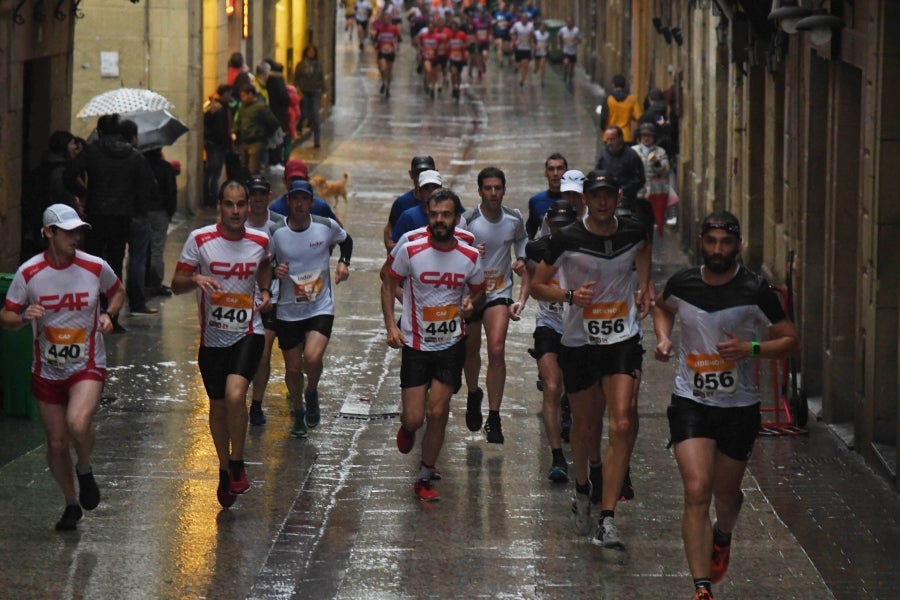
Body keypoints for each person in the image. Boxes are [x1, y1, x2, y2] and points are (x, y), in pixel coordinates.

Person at [653, 211, 799, 600]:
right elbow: (661, 307)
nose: (718, 250)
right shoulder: (683, 283)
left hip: (739, 407)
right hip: (691, 402)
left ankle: (723, 534)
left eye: (726, 242)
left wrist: (751, 348)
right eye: (711, 241)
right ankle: (702, 588)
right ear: (701, 241)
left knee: (726, 492)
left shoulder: (755, 289)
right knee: (697, 488)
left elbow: (789, 338)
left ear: (737, 245)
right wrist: (664, 339)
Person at [530, 170, 652, 550]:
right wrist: (569, 296)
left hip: (622, 339)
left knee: (620, 423)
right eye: (594, 195)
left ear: (617, 197)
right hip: (580, 341)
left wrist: (645, 286)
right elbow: (537, 286)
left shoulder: (633, 231)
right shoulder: (567, 239)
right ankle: (582, 487)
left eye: (607, 195)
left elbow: (644, 248)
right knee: (585, 428)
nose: (601, 202)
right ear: (585, 198)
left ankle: (608, 517)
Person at [1, 204, 126, 531]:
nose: (76, 237)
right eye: (68, 231)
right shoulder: (29, 273)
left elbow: (117, 291)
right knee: (56, 443)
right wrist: (23, 317)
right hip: (47, 369)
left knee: (77, 422)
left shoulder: (94, 266)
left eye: (78, 231)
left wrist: (109, 315)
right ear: (49, 233)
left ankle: (84, 468)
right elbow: (7, 315)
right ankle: (71, 503)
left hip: (87, 364)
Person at [171, 180, 273, 508]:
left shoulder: (260, 239)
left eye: (241, 204)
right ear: (219, 206)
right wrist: (196, 279)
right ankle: (225, 468)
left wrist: (267, 291)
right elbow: (175, 285)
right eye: (229, 205)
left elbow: (266, 266)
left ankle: (239, 462)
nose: (236, 211)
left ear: (248, 207)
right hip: (212, 338)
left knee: (235, 395)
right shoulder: (199, 240)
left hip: (248, 331)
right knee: (217, 407)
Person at [382, 188, 485, 502]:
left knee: (438, 411)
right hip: (415, 343)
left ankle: (425, 475)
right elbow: (387, 282)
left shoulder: (470, 254)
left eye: (446, 215)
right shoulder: (411, 248)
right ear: (428, 214)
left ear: (456, 218)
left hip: (451, 343)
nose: (440, 221)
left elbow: (480, 289)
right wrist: (390, 325)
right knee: (415, 418)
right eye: (435, 214)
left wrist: (470, 302)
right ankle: (409, 428)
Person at [270, 180, 353, 438]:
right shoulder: (275, 233)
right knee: (294, 369)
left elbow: (346, 240)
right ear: (288, 202)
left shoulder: (325, 226)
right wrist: (274, 271)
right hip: (287, 311)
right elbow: (263, 263)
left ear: (311, 202)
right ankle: (298, 410)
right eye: (294, 199)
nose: (299, 204)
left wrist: (343, 262)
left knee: (313, 358)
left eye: (304, 199)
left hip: (320, 307)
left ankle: (312, 391)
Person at [64, 113, 155, 332]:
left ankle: (91, 312)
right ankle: (111, 317)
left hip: (96, 214)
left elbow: (69, 175)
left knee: (91, 264)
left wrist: (85, 193)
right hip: (122, 216)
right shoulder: (134, 156)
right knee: (114, 266)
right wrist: (132, 205)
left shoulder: (92, 151)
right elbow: (148, 185)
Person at [461, 167, 529, 444]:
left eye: (497, 188)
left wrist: (522, 257)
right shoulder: (468, 220)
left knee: (497, 349)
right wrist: (470, 252)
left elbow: (522, 239)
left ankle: (495, 416)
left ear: (504, 189)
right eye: (487, 188)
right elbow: (453, 250)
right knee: (471, 351)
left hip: (499, 291)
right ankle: (474, 393)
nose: (493, 193)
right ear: (479, 191)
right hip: (472, 294)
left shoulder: (514, 218)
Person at [525, 198, 577, 482]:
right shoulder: (537, 249)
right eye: (555, 225)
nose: (560, 231)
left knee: (576, 391)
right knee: (551, 385)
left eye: (565, 226)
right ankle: (557, 456)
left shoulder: (585, 249)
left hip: (579, 328)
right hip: (549, 324)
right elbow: (534, 287)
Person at [244, 175, 281, 426]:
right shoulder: (236, 223)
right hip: (240, 299)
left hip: (273, 297)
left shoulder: (279, 225)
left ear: (268, 196)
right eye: (252, 194)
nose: (257, 199)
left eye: (261, 194)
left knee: (263, 354)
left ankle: (256, 404)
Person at [118, 119, 158, 317]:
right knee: (137, 260)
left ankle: (112, 300)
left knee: (114, 259)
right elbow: (151, 185)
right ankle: (137, 301)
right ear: (133, 137)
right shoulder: (137, 157)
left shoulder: (104, 154)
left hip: (115, 213)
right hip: (137, 214)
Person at [142, 148, 178, 297]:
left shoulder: (140, 164)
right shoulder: (165, 167)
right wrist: (170, 212)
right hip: (160, 211)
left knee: (140, 250)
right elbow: (171, 191)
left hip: (142, 211)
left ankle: (139, 283)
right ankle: (155, 284)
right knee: (157, 249)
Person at [384, 155, 436, 252]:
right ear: (411, 174)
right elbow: (390, 228)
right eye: (418, 172)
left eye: (427, 171)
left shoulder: (449, 202)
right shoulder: (402, 205)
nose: (422, 175)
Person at [268, 159, 342, 226]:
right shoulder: (275, 210)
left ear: (308, 180)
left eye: (300, 179)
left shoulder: (321, 208)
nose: (297, 183)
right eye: (293, 179)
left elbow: (340, 232)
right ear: (284, 180)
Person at [632, 122, 671, 236]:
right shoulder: (633, 151)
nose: (646, 138)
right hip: (638, 194)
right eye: (644, 135)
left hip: (654, 194)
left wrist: (656, 162)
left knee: (650, 223)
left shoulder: (660, 152)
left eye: (649, 136)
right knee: (638, 222)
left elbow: (665, 171)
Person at [234, 84, 280, 176]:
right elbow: (239, 121)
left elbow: (273, 122)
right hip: (244, 141)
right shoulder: (243, 107)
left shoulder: (261, 107)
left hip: (256, 141)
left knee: (253, 169)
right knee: (244, 168)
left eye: (244, 95)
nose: (242, 98)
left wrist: (263, 134)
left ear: (250, 94)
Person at [595, 125, 646, 207]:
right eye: (607, 139)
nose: (609, 143)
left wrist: (624, 190)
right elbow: (597, 174)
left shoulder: (631, 155)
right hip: (607, 199)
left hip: (627, 200)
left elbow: (639, 179)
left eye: (612, 139)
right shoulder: (603, 155)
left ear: (620, 138)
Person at [391, 170, 447, 243]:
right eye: (426, 188)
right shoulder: (408, 217)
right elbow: (395, 247)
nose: (431, 192)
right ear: (419, 192)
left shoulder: (451, 216)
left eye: (435, 187)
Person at [203, 84, 234, 207]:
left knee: (211, 171)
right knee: (215, 172)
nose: (230, 96)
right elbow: (220, 129)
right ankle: (213, 197)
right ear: (225, 93)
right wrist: (225, 143)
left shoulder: (212, 106)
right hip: (217, 145)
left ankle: (208, 196)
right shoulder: (220, 108)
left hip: (212, 143)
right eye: (229, 93)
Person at [526, 153, 567, 239]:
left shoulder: (576, 200)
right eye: (551, 169)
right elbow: (529, 234)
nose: (555, 173)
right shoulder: (536, 201)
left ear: (566, 172)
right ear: (546, 173)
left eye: (559, 168)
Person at [293, 45, 326, 149]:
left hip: (316, 92)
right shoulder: (301, 65)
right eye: (309, 51)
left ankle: (317, 140)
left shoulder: (318, 66)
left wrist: (324, 93)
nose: (311, 53)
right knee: (304, 112)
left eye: (313, 51)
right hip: (304, 91)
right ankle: (299, 127)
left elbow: (321, 80)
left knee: (315, 115)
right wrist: (297, 89)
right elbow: (296, 78)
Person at [601, 74, 643, 143]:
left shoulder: (608, 99)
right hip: (625, 136)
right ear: (624, 85)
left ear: (613, 85)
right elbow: (639, 117)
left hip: (610, 137)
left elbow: (603, 118)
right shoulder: (632, 99)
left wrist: (604, 130)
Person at [373, 11, 402, 98]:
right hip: (381, 51)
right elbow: (375, 38)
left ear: (390, 20)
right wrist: (375, 45)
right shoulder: (379, 28)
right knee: (383, 68)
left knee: (389, 71)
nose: (385, 21)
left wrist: (396, 45)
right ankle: (384, 81)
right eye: (384, 20)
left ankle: (388, 87)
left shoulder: (394, 29)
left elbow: (399, 38)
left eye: (387, 20)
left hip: (391, 52)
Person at [510, 11, 534, 88]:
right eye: (523, 19)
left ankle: (522, 80)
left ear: (527, 19)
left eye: (525, 19)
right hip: (519, 47)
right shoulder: (516, 25)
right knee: (519, 64)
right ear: (520, 19)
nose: (524, 20)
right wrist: (514, 41)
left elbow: (532, 35)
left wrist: (531, 41)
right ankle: (517, 67)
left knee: (525, 65)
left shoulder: (531, 26)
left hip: (527, 48)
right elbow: (511, 32)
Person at [559, 17, 581, 89]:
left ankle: (570, 80)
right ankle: (565, 74)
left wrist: (575, 42)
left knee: (571, 67)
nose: (569, 24)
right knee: (566, 63)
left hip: (573, 52)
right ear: (566, 23)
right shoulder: (563, 30)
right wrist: (559, 44)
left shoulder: (576, 30)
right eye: (568, 23)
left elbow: (579, 40)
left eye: (571, 23)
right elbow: (559, 36)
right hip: (566, 51)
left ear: (573, 23)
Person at [532, 20, 549, 87]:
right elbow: (532, 42)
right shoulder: (535, 33)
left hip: (544, 53)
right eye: (541, 27)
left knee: (542, 66)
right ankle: (535, 70)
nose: (542, 29)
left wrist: (548, 46)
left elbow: (549, 42)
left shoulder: (547, 34)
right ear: (539, 28)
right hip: (537, 53)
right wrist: (535, 46)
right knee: (537, 67)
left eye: (543, 28)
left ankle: (542, 81)